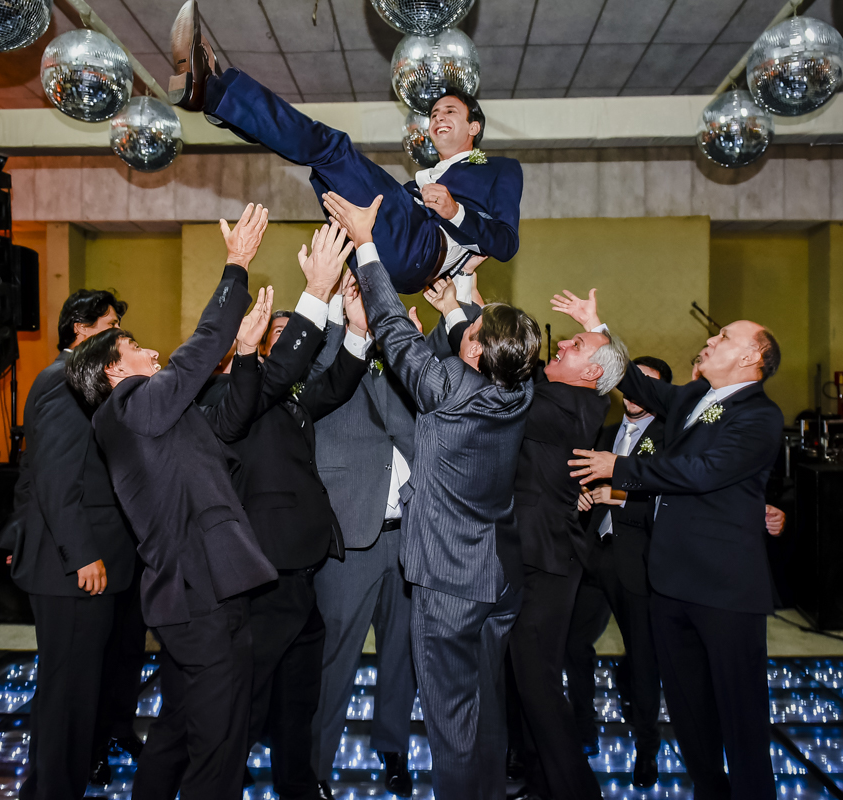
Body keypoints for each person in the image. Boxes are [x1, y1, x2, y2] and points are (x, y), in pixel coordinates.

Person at [323, 190, 541, 799]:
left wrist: (367, 243)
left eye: (472, 330)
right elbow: (476, 341)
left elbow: (393, 329)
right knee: (486, 705)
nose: (466, 330)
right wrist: (454, 307)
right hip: (499, 576)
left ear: (475, 349)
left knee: (452, 723)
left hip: (450, 583)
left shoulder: (447, 387)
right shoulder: (519, 389)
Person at [69, 203, 284, 800]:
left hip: (204, 589)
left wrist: (246, 351)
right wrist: (236, 266)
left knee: (177, 731)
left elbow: (230, 423)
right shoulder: (130, 406)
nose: (151, 352)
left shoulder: (152, 418)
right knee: (219, 743)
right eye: (135, 347)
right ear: (113, 372)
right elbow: (197, 350)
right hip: (199, 595)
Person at [568, 316, 784, 800]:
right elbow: (635, 381)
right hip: (669, 583)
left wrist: (620, 467)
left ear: (750, 357)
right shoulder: (695, 398)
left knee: (741, 718)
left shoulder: (760, 415)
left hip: (725, 590)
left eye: (724, 337)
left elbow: (703, 471)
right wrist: (597, 328)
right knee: (689, 714)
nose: (710, 339)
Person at [167, 2, 522, 294]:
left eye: (450, 111)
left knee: (332, 149)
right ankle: (221, 107)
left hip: (420, 246)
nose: (438, 117)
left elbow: (506, 243)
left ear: (474, 127)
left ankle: (214, 95)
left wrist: (455, 212)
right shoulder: (421, 180)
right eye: (433, 113)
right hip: (392, 254)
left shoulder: (501, 169)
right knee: (322, 165)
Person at [197, 224, 364, 800]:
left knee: (298, 696)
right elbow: (278, 377)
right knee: (247, 694)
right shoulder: (219, 396)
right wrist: (316, 292)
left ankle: (295, 784)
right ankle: (219, 781)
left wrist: (358, 331)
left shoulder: (270, 391)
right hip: (265, 566)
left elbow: (330, 388)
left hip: (297, 565)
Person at [479, 312, 622, 800]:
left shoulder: (577, 405)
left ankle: (577, 792)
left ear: (593, 372)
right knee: (524, 681)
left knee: (539, 685)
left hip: (549, 560)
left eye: (575, 345)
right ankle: (542, 782)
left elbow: (504, 386)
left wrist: (468, 317)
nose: (560, 344)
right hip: (529, 554)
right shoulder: (561, 395)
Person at [6, 287, 139, 800]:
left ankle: (56, 784)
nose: (117, 334)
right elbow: (56, 479)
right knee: (68, 694)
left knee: (79, 688)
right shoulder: (63, 381)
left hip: (89, 561)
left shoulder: (81, 378)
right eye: (108, 325)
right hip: (74, 569)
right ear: (80, 329)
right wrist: (82, 553)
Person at [575, 354, 673, 789]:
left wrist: (617, 495)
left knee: (643, 660)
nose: (634, 391)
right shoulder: (607, 431)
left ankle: (647, 747)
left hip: (638, 561)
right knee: (572, 644)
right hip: (593, 554)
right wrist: (580, 496)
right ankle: (584, 729)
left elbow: (670, 492)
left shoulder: (670, 436)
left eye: (646, 383)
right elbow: (582, 479)